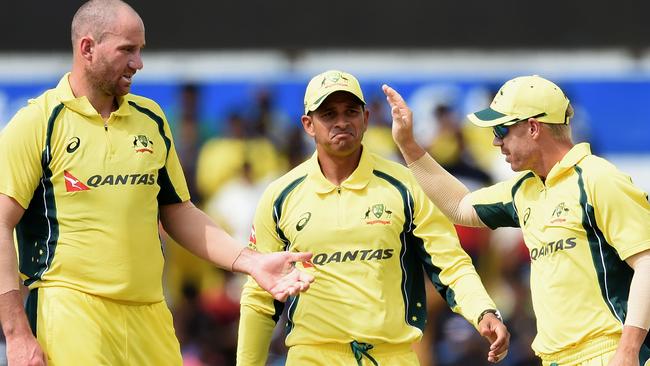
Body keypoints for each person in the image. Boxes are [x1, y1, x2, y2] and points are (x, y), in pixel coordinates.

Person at [0, 1, 314, 365]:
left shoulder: (151, 118)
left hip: (149, 313)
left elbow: (179, 211)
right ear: (87, 48)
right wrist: (16, 333)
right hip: (71, 314)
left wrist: (251, 262)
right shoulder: (38, 122)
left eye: (140, 50)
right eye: (127, 50)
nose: (138, 63)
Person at [236, 69, 510, 366]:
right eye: (328, 114)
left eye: (350, 111)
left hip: (391, 356)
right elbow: (260, 297)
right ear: (308, 125)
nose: (341, 121)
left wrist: (483, 310)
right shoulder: (280, 196)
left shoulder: (406, 185)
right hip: (311, 356)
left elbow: (451, 263)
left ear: (366, 118)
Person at [383, 75, 650, 366]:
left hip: (610, 353)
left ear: (533, 127)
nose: (496, 142)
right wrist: (408, 145)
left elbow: (647, 263)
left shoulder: (598, 178)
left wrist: (628, 349)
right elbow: (459, 206)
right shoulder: (524, 189)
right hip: (556, 358)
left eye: (502, 129)